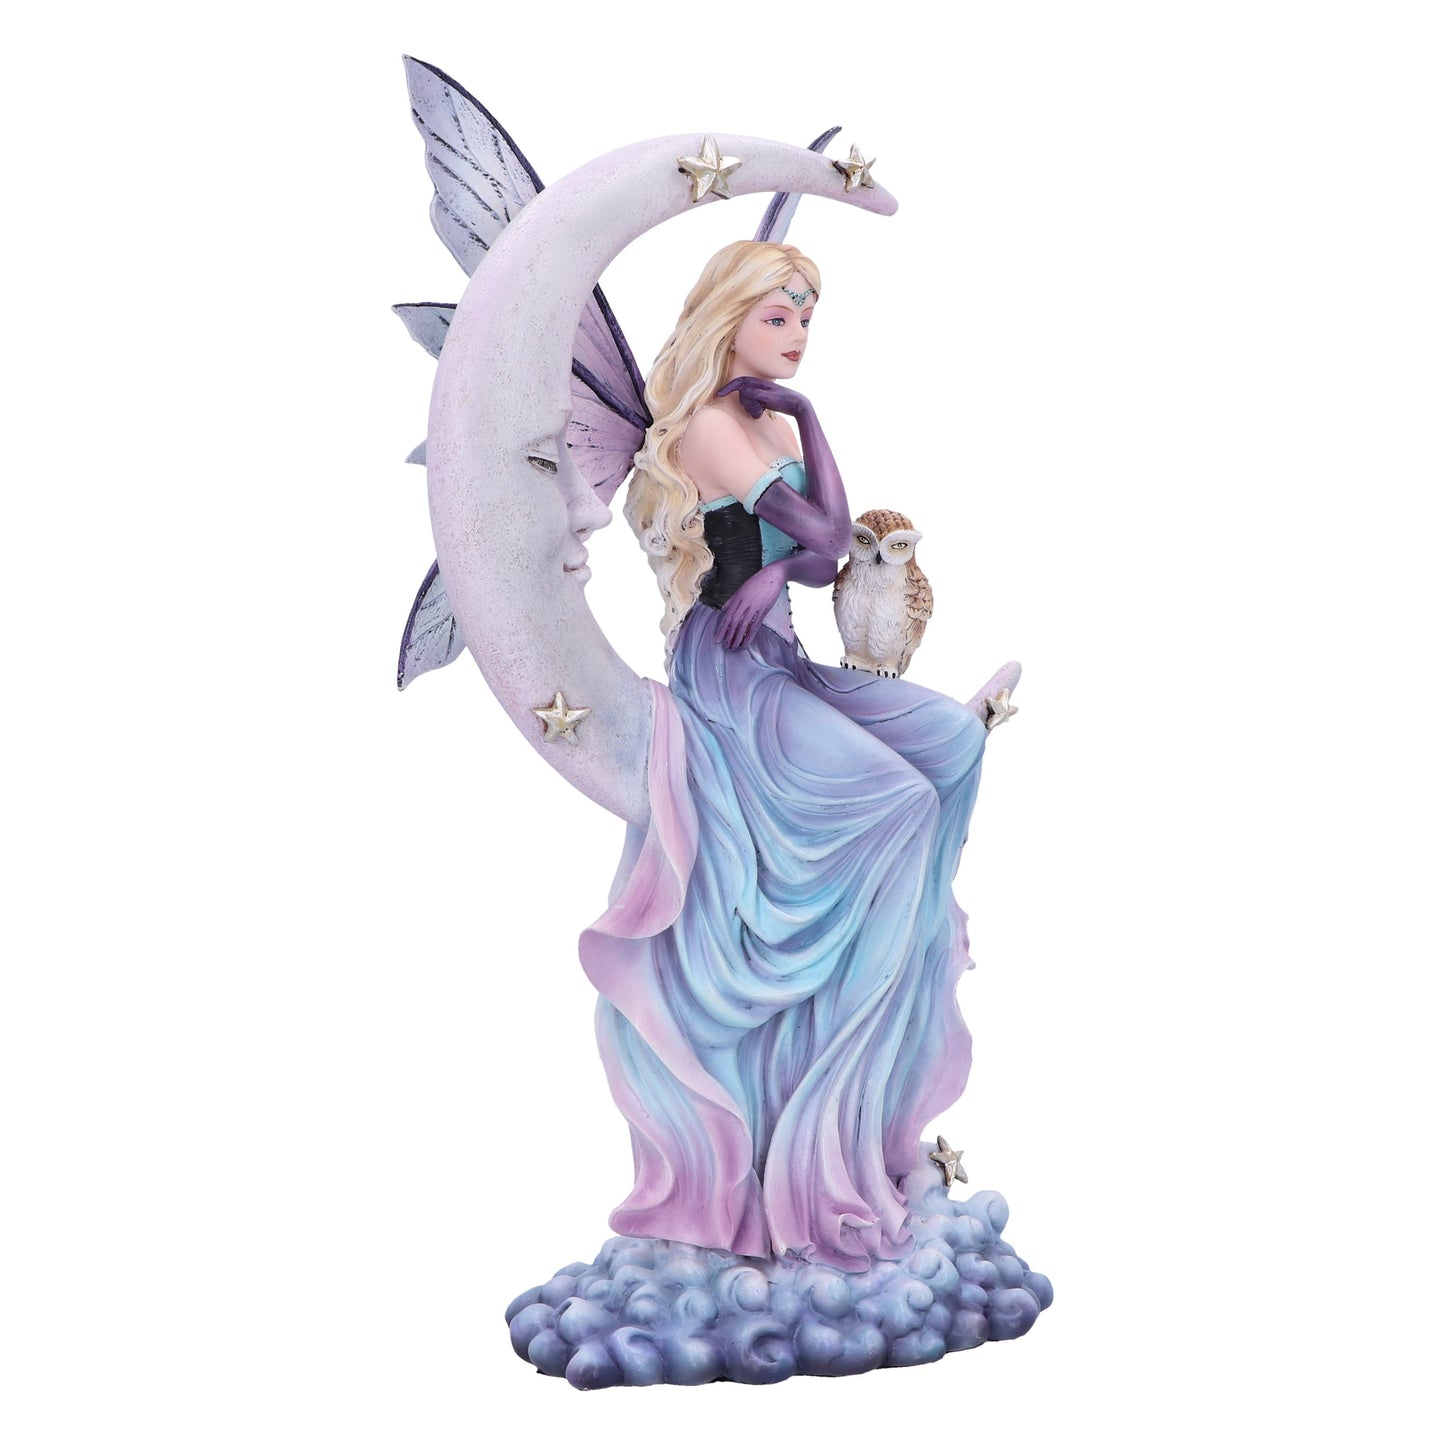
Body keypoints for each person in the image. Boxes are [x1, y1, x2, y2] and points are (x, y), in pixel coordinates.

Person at [583, 239, 990, 1273]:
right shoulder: (716, 425)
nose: (798, 335)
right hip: (727, 673)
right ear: (730, 319)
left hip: (779, 654)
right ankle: (833, 1049)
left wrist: (798, 450)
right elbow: (824, 534)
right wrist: (802, 438)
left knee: (949, 740)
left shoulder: (761, 418)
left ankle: (882, 977)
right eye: (778, 316)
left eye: (806, 317)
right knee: (899, 799)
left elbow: (818, 556)